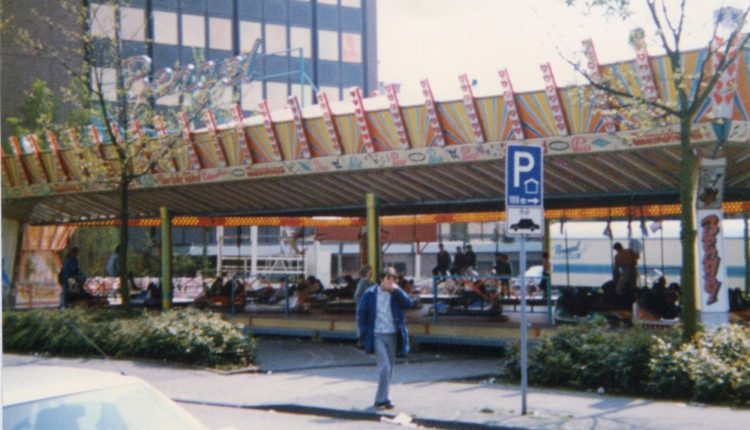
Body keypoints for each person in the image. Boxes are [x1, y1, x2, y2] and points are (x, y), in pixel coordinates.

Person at [357, 267, 415, 410]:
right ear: (381, 279)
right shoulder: (370, 294)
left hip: (393, 334)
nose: (391, 282)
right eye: (388, 279)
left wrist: (398, 290)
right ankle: (381, 399)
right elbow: (361, 313)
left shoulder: (396, 294)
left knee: (390, 368)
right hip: (377, 334)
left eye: (393, 279)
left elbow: (408, 303)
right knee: (384, 367)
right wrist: (363, 333)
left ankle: (383, 398)